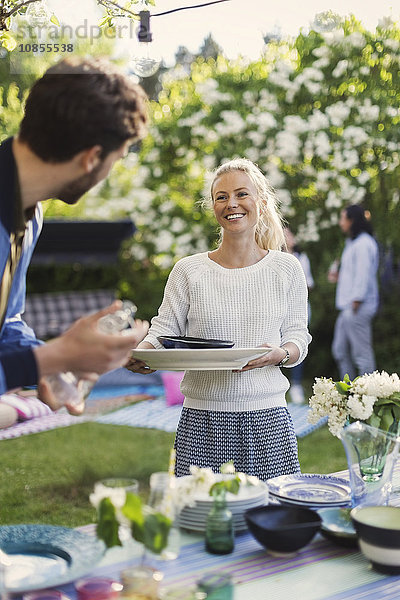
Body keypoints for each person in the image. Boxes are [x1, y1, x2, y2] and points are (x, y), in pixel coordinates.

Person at [127, 158, 311, 481]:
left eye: (242, 194)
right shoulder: (189, 270)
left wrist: (280, 354)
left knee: (270, 520)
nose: (232, 204)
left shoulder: (287, 269)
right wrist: (142, 353)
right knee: (203, 523)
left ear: (261, 201)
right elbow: (162, 331)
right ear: (213, 206)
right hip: (202, 420)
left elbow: (298, 337)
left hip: (268, 421)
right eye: (221, 197)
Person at [0, 56, 150, 415]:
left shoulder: (28, 210)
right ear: (91, 157)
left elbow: (7, 322)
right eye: (115, 160)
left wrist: (54, 369)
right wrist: (54, 356)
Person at [331, 204, 379, 379]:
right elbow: (353, 273)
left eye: (343, 218)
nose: (340, 222)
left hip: (358, 306)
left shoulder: (364, 243)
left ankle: (369, 398)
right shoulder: (352, 243)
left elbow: (363, 274)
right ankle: (349, 393)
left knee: (362, 355)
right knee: (340, 350)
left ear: (352, 220)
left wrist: (356, 301)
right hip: (347, 308)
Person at [284, 228, 314, 404]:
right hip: (280, 309)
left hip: (299, 309)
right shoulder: (272, 258)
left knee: (297, 343)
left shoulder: (301, 259)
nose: (287, 237)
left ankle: (295, 385)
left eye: (289, 234)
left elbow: (308, 284)